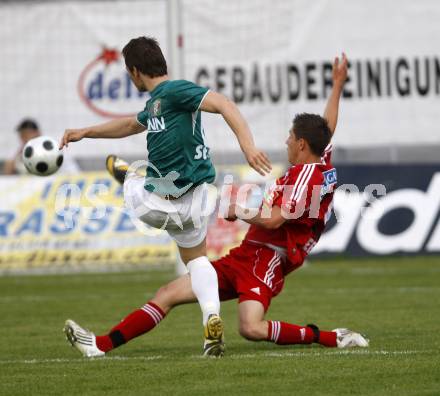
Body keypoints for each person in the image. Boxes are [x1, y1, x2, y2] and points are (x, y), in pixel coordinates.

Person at [64, 53, 369, 358]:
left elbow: (276, 220)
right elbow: (326, 127)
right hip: (248, 253)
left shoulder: (306, 177)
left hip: (268, 259)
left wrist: (240, 210)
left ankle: (331, 337)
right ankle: (100, 345)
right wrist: (337, 85)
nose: (286, 141)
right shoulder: (319, 157)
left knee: (251, 328)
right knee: (168, 293)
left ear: (302, 144)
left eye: (290, 137)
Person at [60, 36, 271, 357]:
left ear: (134, 71)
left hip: (161, 203)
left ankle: (126, 175)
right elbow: (132, 124)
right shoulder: (157, 103)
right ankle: (211, 319)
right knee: (198, 262)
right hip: (198, 199)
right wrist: (86, 131)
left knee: (132, 182)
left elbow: (224, 104)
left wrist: (248, 146)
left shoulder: (175, 91)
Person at [3, 118, 79, 175]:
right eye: (21, 135)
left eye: (26, 134)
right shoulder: (22, 150)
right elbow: (7, 173)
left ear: (37, 133)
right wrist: (18, 154)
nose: (24, 138)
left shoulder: (52, 146)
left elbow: (73, 171)